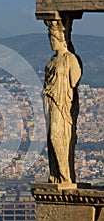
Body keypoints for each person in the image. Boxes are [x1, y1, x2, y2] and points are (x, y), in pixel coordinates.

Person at [43, 21, 82, 183]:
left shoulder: (71, 59)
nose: (52, 42)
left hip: (63, 104)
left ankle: (66, 176)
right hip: (50, 101)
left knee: (57, 137)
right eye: (50, 38)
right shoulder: (52, 61)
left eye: (54, 39)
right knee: (51, 140)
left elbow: (74, 81)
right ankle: (58, 175)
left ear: (62, 39)